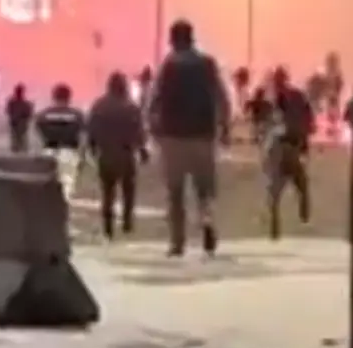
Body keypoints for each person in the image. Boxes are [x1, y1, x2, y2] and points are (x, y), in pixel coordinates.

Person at [147, 19, 228, 257]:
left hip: (173, 137)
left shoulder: (168, 66)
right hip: (203, 136)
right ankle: (207, 220)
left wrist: (152, 128)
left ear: (173, 39)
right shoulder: (208, 64)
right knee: (204, 191)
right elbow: (221, 97)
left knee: (175, 193)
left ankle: (177, 242)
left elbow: (154, 100)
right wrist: (224, 126)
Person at [86, 71, 147, 238]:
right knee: (128, 191)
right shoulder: (131, 107)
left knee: (108, 192)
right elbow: (139, 132)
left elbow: (92, 129)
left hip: (106, 155)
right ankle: (127, 221)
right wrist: (142, 150)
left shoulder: (99, 106)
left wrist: (92, 148)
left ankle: (108, 226)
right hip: (126, 154)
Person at [265, 66, 314, 240]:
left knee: (276, 189)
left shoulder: (281, 99)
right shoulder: (296, 96)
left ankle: (276, 225)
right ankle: (303, 212)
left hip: (283, 146)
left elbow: (275, 123)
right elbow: (307, 119)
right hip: (291, 146)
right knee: (300, 183)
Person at [34, 83, 87, 203]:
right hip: (69, 153)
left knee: (47, 185)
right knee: (67, 186)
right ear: (69, 97)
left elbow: (37, 136)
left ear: (54, 96)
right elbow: (83, 136)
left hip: (48, 152)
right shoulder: (77, 115)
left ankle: (49, 209)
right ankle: (63, 209)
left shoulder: (43, 115)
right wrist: (82, 156)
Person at [5, 83, 34, 153]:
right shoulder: (13, 103)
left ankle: (20, 151)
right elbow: (8, 111)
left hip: (19, 125)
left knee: (19, 141)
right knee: (18, 141)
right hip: (17, 125)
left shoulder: (22, 103)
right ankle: (19, 151)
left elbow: (29, 114)